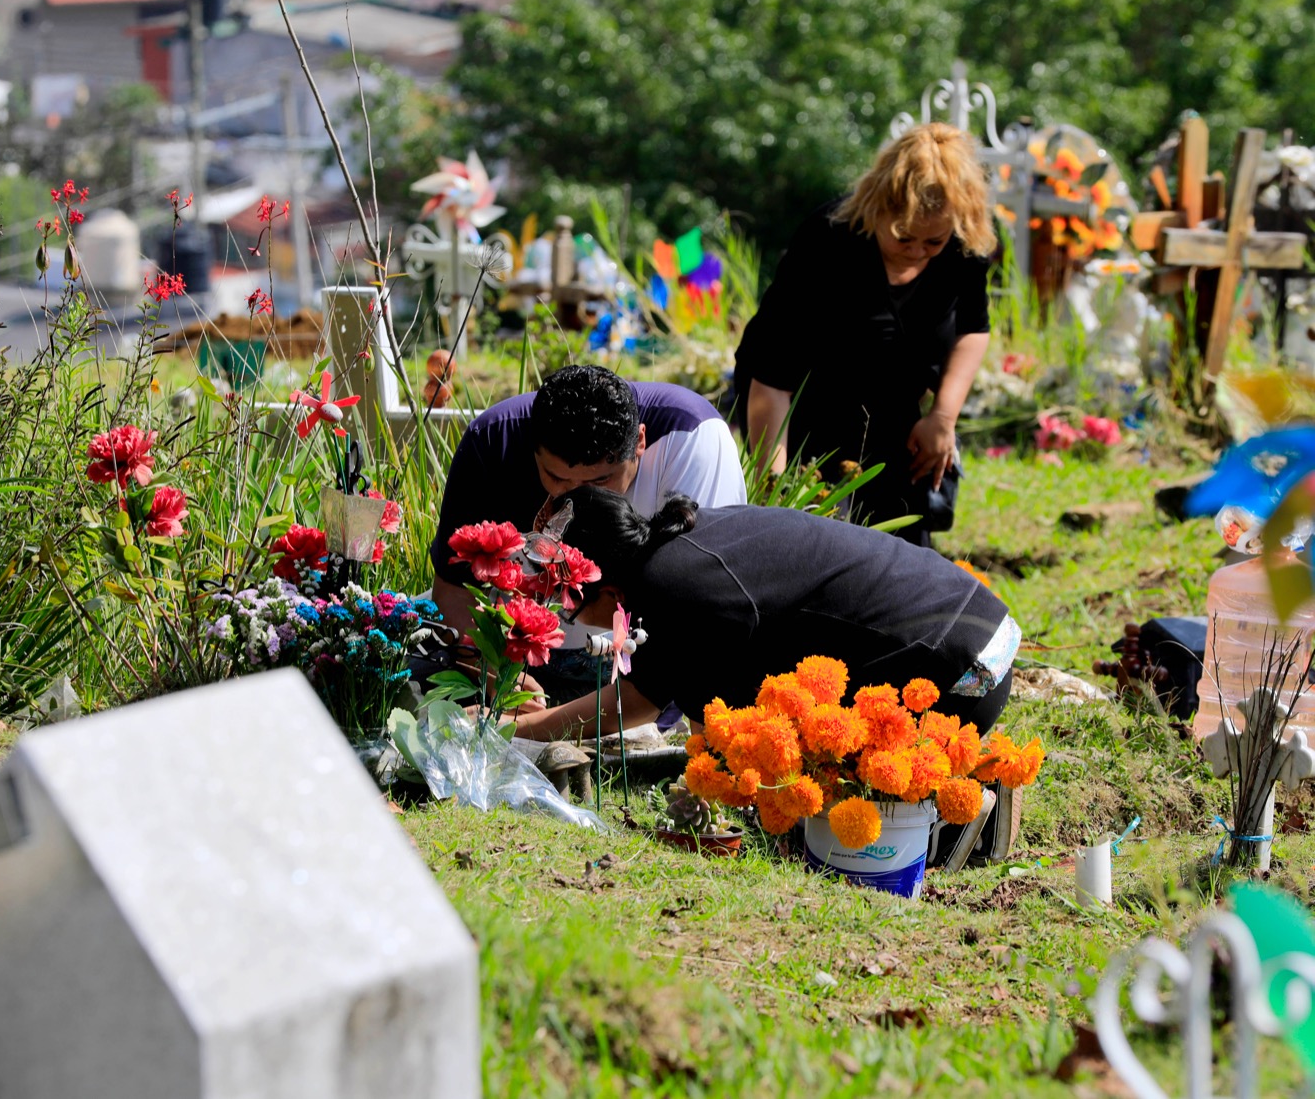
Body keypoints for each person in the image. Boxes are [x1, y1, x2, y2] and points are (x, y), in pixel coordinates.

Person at [511, 486, 1019, 862]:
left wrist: (520, 730)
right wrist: (531, 725)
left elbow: (699, 723)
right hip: (984, 630)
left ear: (606, 589)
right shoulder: (684, 543)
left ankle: (954, 816)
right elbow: (647, 694)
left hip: (959, 672)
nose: (571, 619)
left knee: (803, 771)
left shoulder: (674, 588)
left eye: (569, 607)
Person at [733, 122, 996, 546]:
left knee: (902, 547)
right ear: (878, 208)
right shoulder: (828, 240)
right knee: (811, 541)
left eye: (933, 242)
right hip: (802, 408)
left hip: (893, 408)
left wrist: (943, 417)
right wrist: (774, 488)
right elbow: (771, 376)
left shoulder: (962, 245)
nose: (916, 252)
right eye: (903, 237)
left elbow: (973, 328)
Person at [430, 364, 746, 701]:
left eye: (600, 480)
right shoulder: (494, 441)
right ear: (532, 448)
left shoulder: (692, 438)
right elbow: (454, 590)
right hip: (516, 655)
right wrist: (493, 675)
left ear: (640, 442)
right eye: (557, 479)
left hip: (647, 659)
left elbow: (698, 616)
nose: (576, 499)